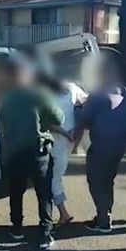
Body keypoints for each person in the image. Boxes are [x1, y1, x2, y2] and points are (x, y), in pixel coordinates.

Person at [0, 56, 64, 249]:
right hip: (38, 149)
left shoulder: (8, 96)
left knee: (16, 191)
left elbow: (4, 118)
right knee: (43, 193)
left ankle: (16, 228)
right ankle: (45, 233)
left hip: (15, 150)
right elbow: (58, 117)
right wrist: (41, 121)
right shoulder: (39, 94)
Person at [75, 59, 126, 233]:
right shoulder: (123, 90)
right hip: (119, 145)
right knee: (108, 180)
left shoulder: (98, 94)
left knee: (96, 182)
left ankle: (103, 220)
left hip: (101, 145)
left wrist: (78, 106)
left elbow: (83, 120)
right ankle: (106, 213)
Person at [48, 81, 88, 226]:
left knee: (53, 179)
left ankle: (63, 214)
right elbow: (85, 101)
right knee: (55, 176)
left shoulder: (44, 91)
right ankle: (59, 213)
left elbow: (48, 121)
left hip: (59, 138)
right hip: (68, 136)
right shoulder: (71, 86)